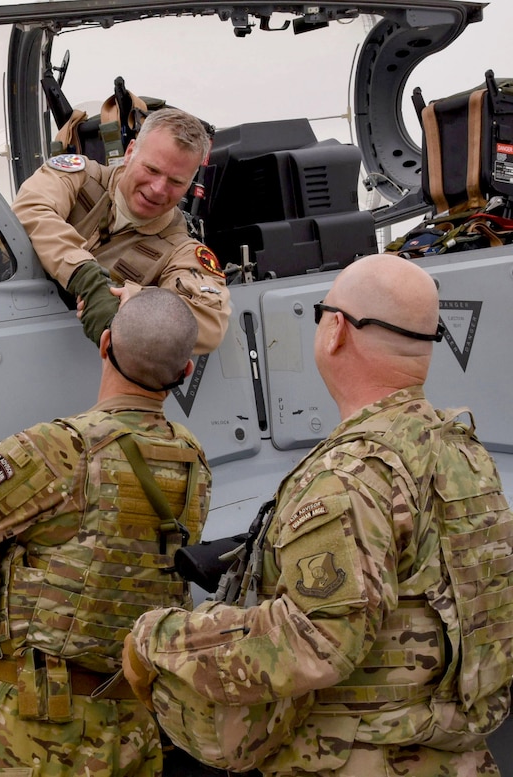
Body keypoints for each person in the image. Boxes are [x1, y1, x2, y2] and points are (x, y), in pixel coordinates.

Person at [122, 253, 513, 776]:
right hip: (451, 754)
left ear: (336, 331)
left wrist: (159, 639)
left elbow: (314, 641)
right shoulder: (462, 452)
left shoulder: (348, 475)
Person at [0, 288, 212, 776]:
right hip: (132, 726)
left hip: (34, 732)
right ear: (185, 372)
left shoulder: (60, 448)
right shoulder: (193, 462)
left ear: (105, 343)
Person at [13, 107, 230, 354]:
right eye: (152, 170)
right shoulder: (79, 177)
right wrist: (86, 277)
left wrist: (132, 303)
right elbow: (30, 209)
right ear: (129, 153)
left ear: (189, 184)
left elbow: (210, 321)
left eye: (176, 182)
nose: (159, 188)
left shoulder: (180, 249)